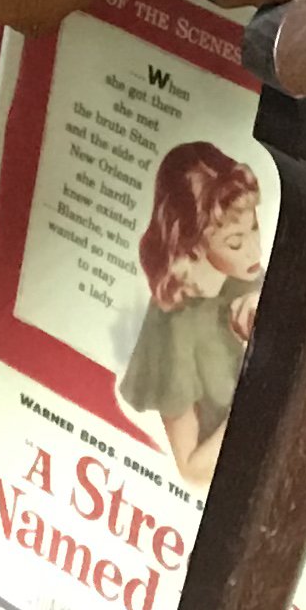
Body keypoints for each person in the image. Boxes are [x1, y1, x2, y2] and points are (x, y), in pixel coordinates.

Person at [120, 141, 270, 483]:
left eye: (255, 228)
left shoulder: (246, 275)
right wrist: (259, 399)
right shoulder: (173, 327)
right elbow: (192, 470)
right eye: (234, 242)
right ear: (192, 244)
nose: (255, 249)